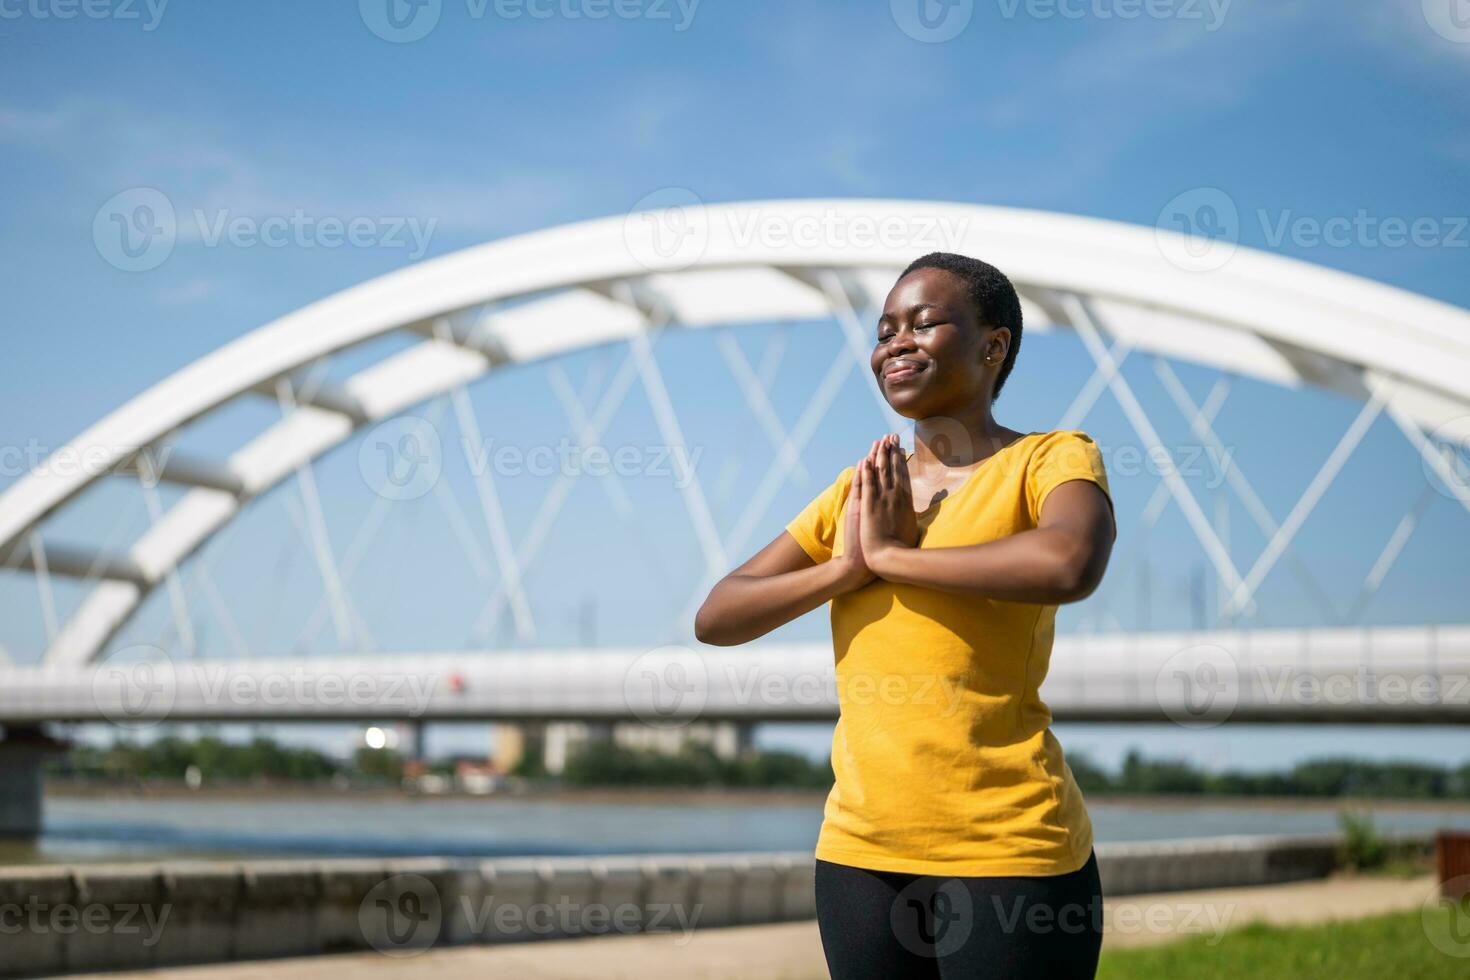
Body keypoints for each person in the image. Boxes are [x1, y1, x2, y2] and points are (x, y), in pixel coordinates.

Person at [694, 252, 1117, 978]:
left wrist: (892, 559)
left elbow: (1068, 562)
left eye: (923, 324)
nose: (895, 343)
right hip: (860, 853)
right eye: (885, 330)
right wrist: (846, 567)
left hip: (1008, 847)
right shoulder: (858, 494)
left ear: (993, 346)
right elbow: (718, 615)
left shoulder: (1049, 459)